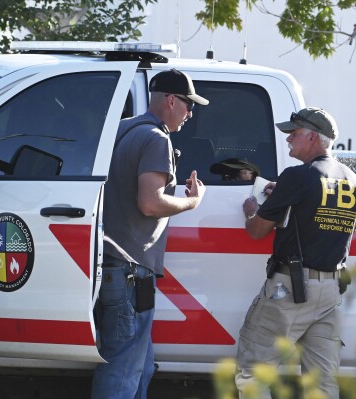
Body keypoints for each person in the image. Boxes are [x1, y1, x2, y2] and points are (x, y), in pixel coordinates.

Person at [91, 69, 209, 399]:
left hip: (114, 267)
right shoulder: (157, 139)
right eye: (188, 105)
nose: (190, 113)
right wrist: (191, 202)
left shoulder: (124, 130)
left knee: (140, 366)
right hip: (130, 273)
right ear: (172, 100)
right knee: (122, 370)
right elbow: (149, 202)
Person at [235, 107, 356, 398]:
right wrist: (285, 193)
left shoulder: (297, 176)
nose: (288, 139)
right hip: (331, 291)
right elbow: (319, 211)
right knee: (322, 384)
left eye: (294, 134)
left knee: (253, 372)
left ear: (313, 138)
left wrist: (252, 211)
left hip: (290, 289)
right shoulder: (352, 180)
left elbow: (257, 230)